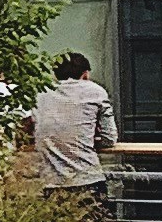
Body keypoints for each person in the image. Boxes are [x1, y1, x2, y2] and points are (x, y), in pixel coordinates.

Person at [29, 50, 119, 198]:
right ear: (85, 74)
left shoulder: (40, 94)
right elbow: (109, 138)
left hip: (51, 182)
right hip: (87, 178)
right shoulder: (95, 91)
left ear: (55, 74)